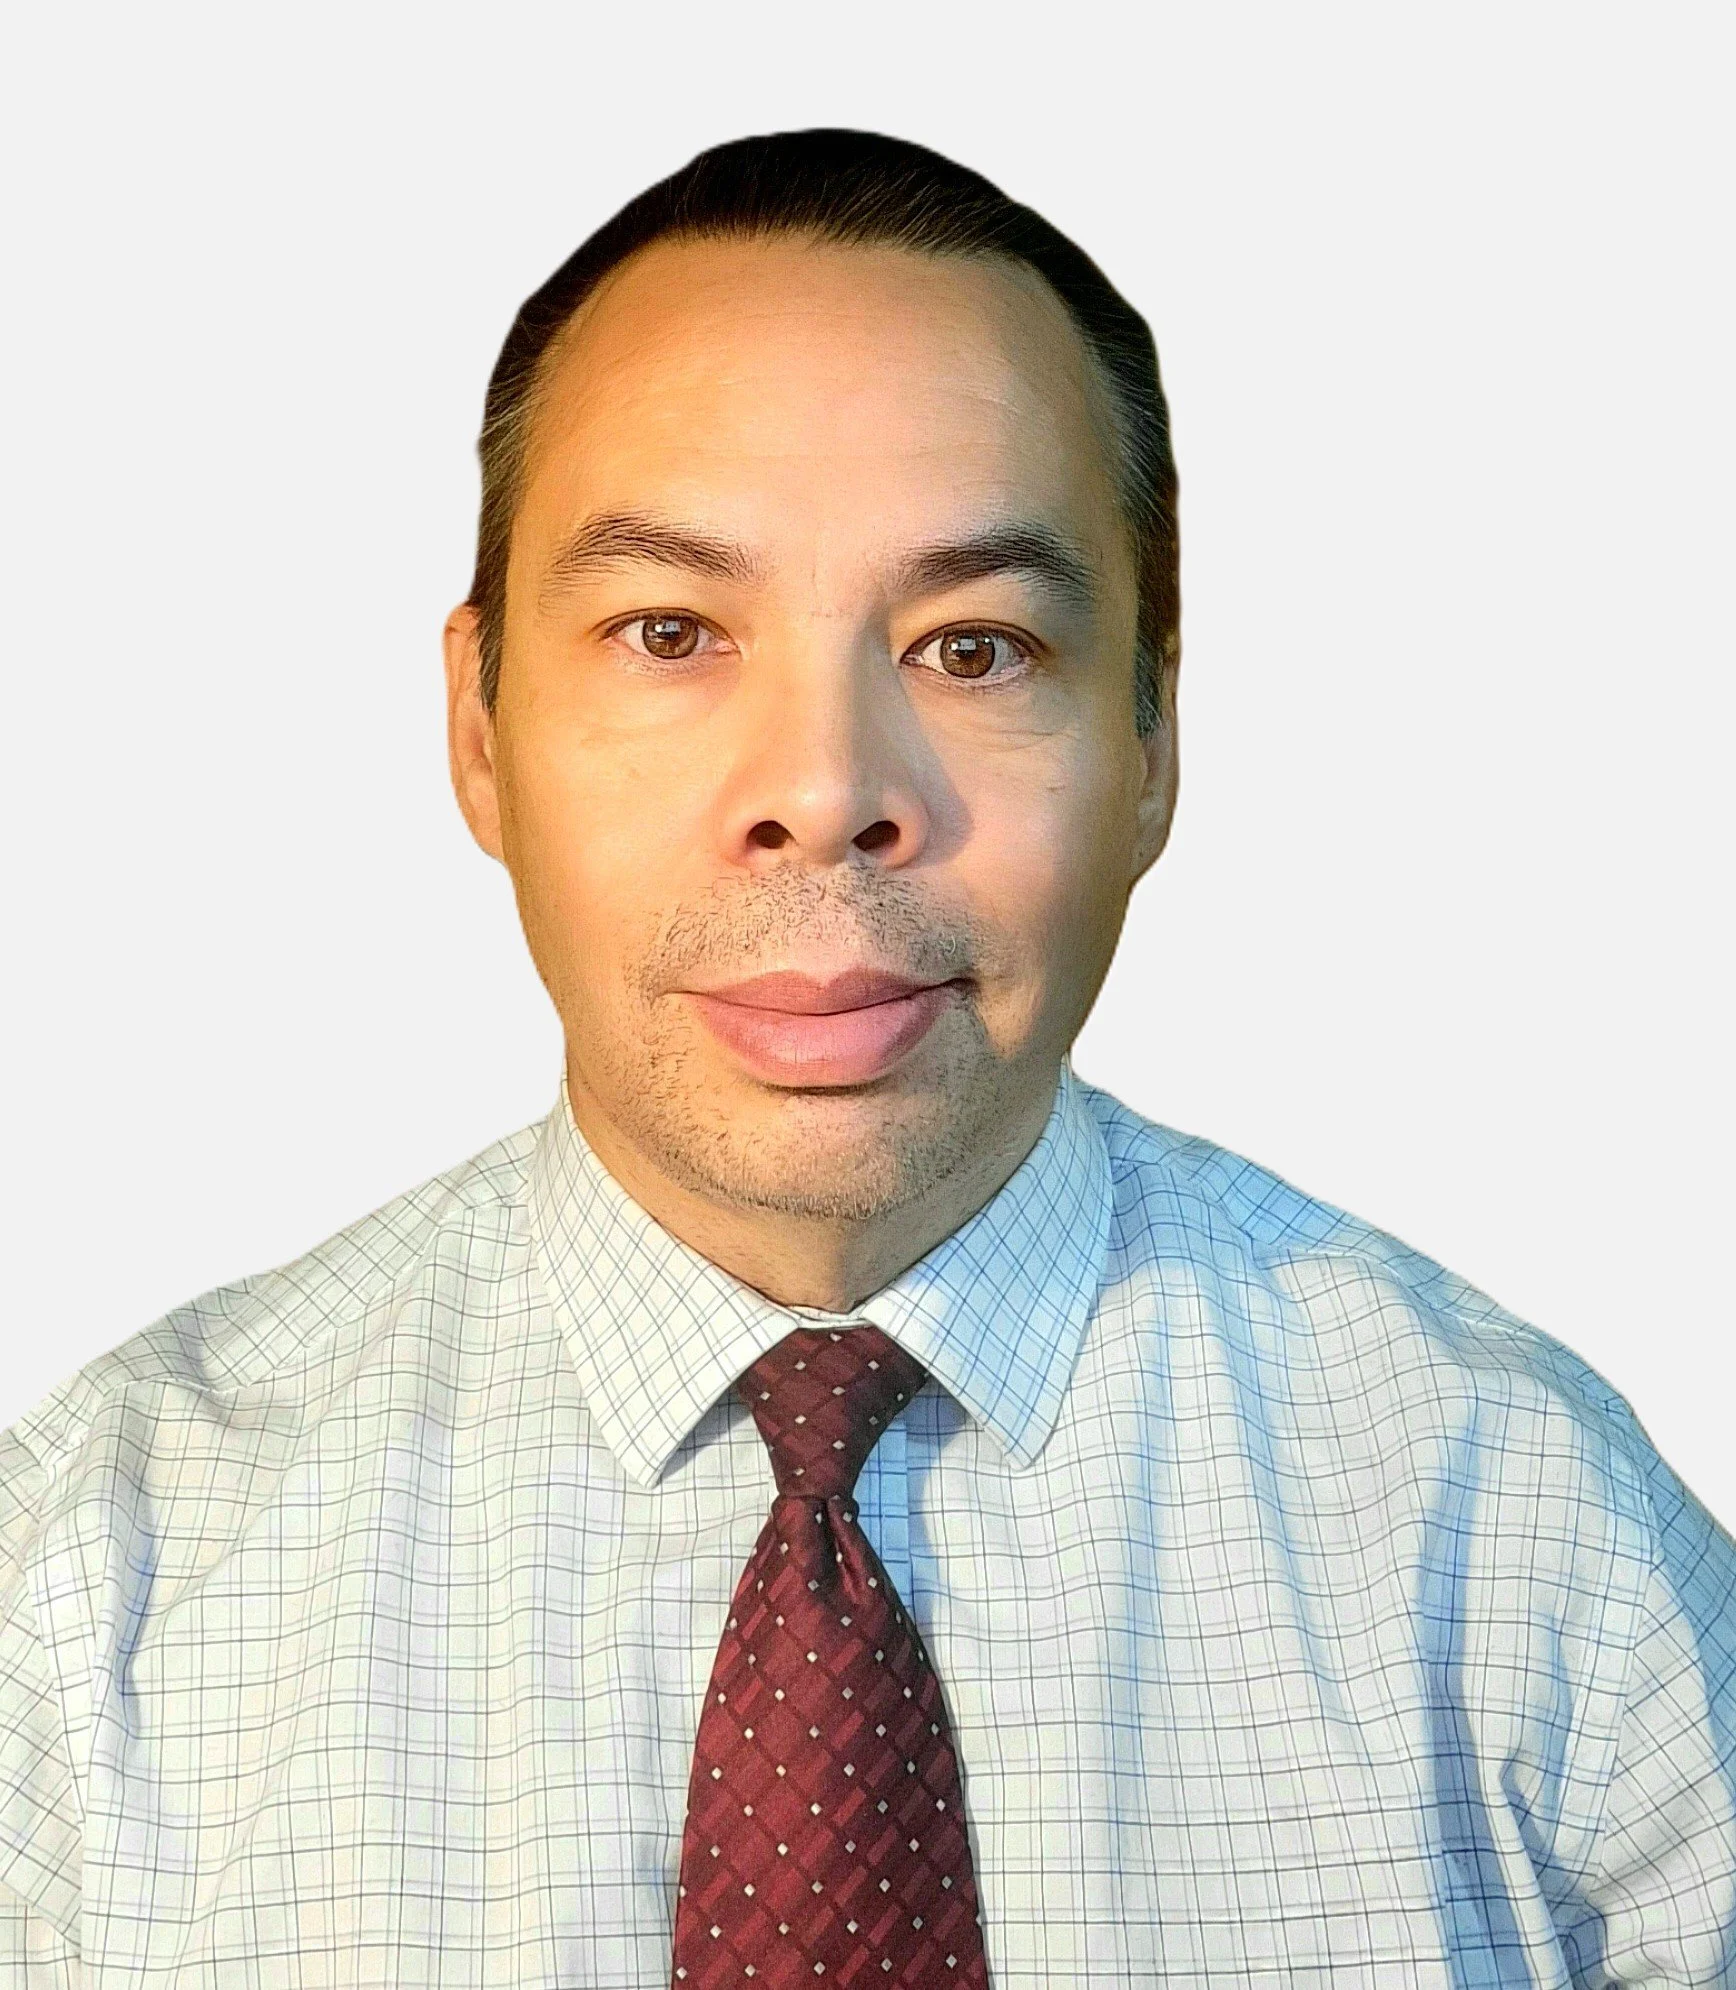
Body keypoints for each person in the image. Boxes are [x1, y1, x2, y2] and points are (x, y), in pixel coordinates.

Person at [1, 127, 1730, 1990]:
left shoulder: (1535, 1548)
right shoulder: (99, 1574)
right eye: (670, 632)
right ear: (479, 730)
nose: (826, 791)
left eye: (972, 647)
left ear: (1154, 735)